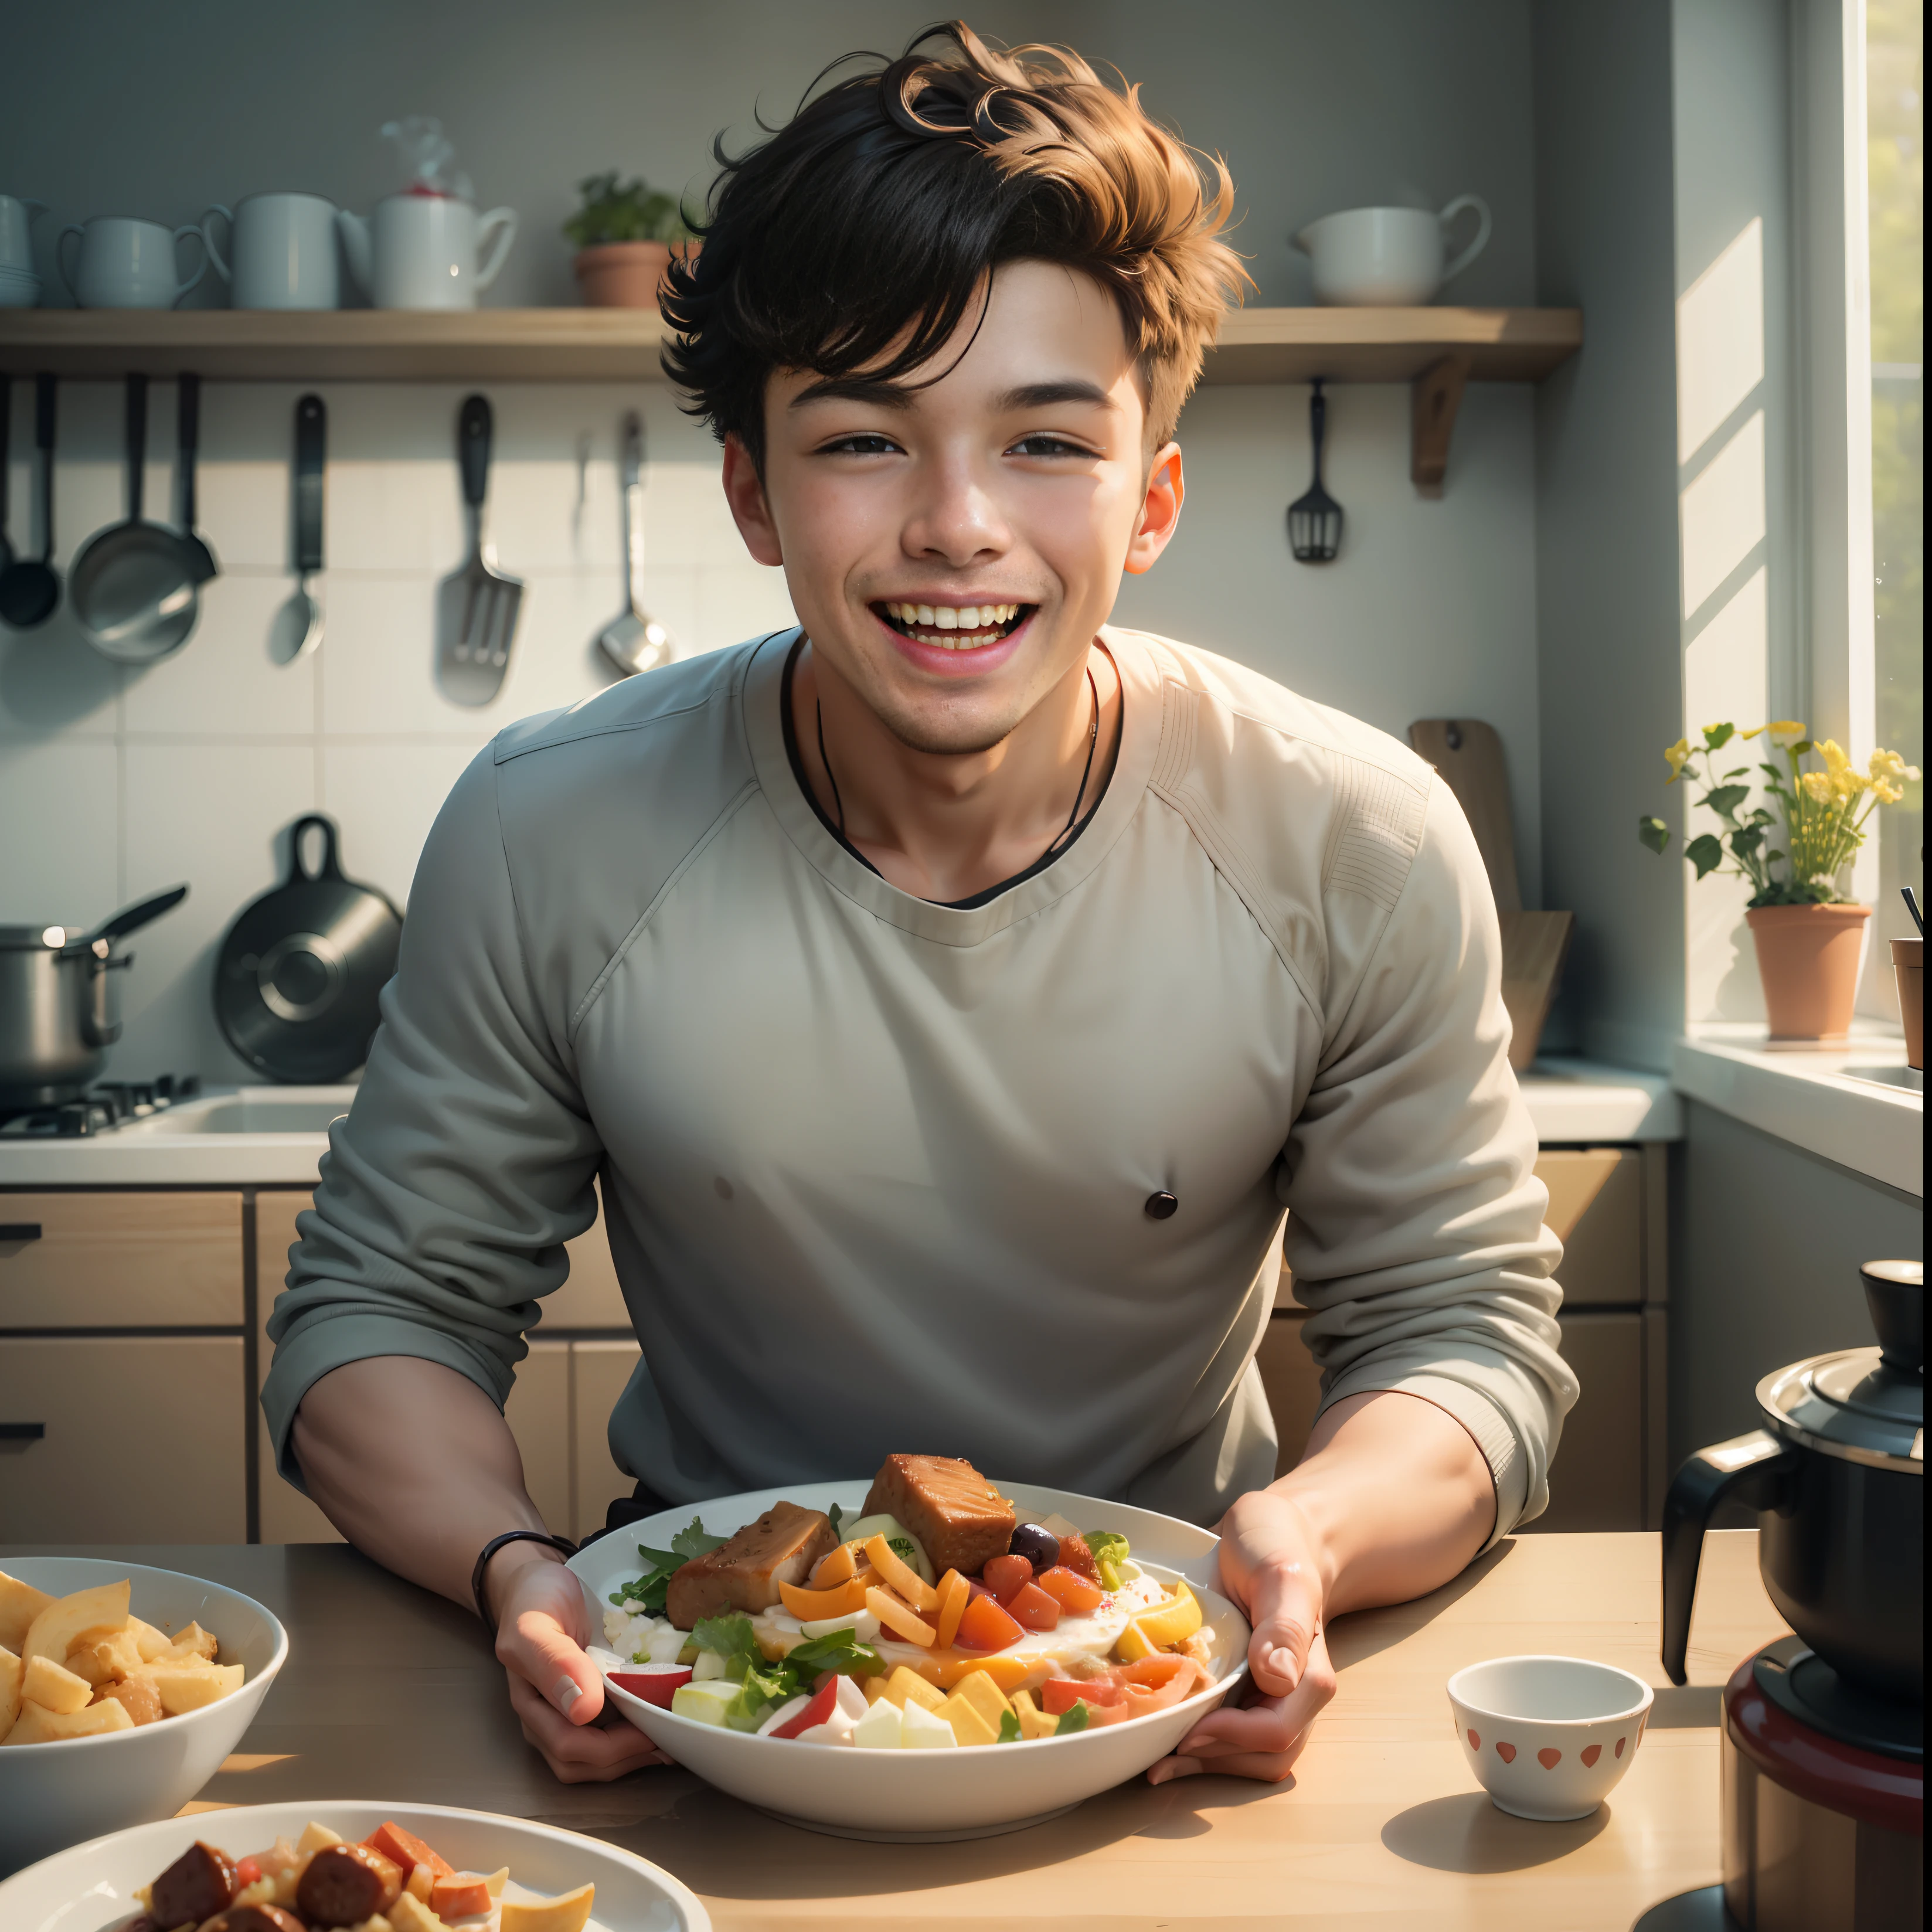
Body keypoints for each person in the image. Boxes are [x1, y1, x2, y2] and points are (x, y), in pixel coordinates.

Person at [266, 24, 1574, 1789]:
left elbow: (1466, 1335)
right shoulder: (543, 826)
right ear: (753, 491)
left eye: (1045, 441)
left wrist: (1312, 1541)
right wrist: (528, 1576)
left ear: (1155, 493)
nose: (958, 527)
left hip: (1166, 1660)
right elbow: (381, 1314)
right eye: (865, 439)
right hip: (699, 1681)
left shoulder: (1364, 839)